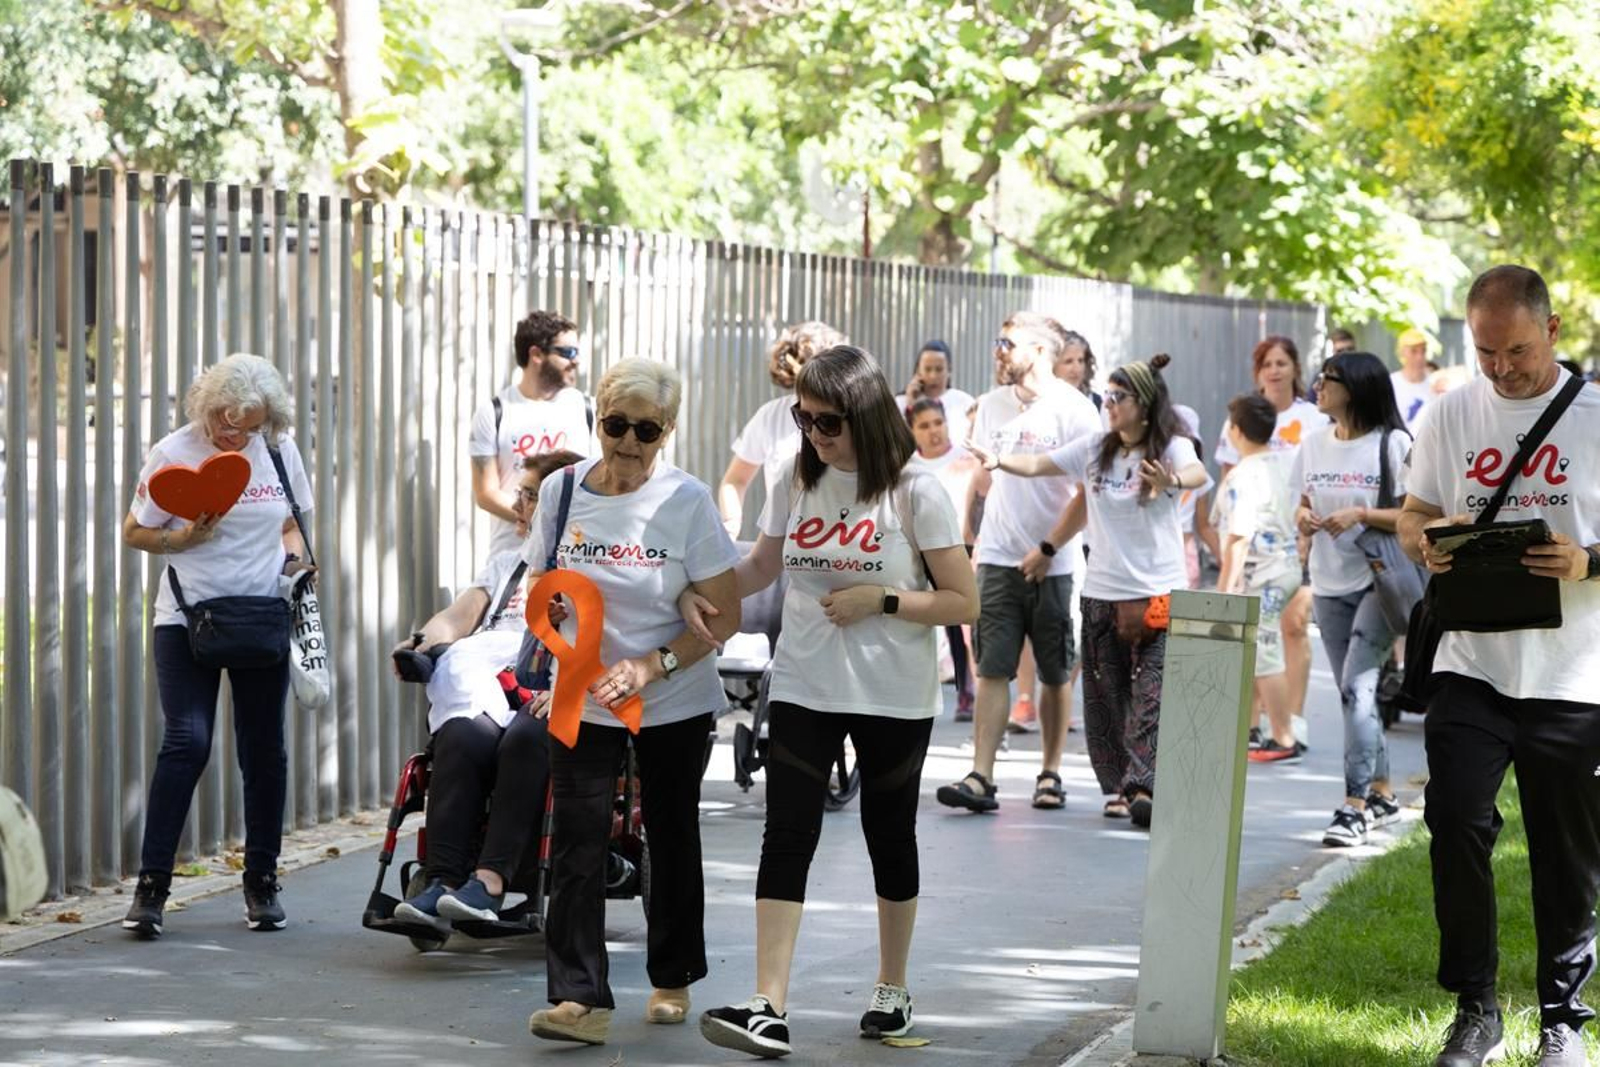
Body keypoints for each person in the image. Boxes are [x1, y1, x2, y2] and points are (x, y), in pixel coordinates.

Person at [692, 344, 979, 1058]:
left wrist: (882, 597)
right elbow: (762, 564)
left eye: (827, 421)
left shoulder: (916, 490)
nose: (814, 432)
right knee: (786, 833)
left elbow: (963, 599)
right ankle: (769, 1003)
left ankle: (891, 990)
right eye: (804, 416)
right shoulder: (795, 475)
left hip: (893, 695)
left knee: (890, 836)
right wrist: (702, 589)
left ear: (867, 415)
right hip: (804, 684)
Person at [1399, 266, 1600, 1067]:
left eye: (1515, 350)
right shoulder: (1451, 412)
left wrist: (1587, 561)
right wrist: (1428, 542)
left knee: (1567, 852)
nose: (1501, 368)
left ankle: (1564, 1020)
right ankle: (1476, 1008)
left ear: (1551, 330)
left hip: (1574, 673)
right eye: (1485, 352)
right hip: (1471, 660)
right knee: (1455, 820)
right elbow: (1415, 513)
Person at [520, 358, 741, 1046]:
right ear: (597, 420)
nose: (628, 443)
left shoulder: (687, 500)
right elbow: (541, 588)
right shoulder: (559, 492)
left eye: (646, 430)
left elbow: (725, 614)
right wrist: (564, 647)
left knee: (670, 834)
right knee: (580, 842)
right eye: (617, 425)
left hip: (671, 695)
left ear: (666, 431)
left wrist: (655, 662)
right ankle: (578, 998)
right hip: (581, 696)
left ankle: (672, 975)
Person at [966, 354, 1206, 828]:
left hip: (1159, 594)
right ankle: (1119, 788)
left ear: (1144, 404)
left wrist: (1172, 482)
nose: (1110, 405)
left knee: (1153, 696)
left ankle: (1145, 786)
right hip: (1102, 594)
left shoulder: (1171, 447)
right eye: (1108, 397)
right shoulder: (1097, 449)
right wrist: (1000, 462)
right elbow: (1040, 465)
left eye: (1119, 397)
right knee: (1107, 698)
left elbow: (1198, 475)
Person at [120, 354, 314, 938]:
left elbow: (292, 523)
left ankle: (262, 882)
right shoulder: (174, 453)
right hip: (187, 616)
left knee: (263, 749)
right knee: (187, 741)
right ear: (206, 407)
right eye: (225, 423)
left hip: (260, 613)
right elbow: (133, 531)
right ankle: (151, 890)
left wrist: (300, 561)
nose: (234, 435)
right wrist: (182, 537)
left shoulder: (278, 450)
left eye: (247, 426)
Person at [389, 449, 580, 932]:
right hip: (492, 672)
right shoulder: (506, 563)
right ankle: (441, 882)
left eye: (531, 496)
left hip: (554, 674)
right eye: (520, 493)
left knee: (525, 740)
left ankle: (489, 882)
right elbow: (460, 614)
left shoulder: (583, 560)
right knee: (460, 739)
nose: (519, 505)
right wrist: (423, 642)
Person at [939, 311, 1102, 814]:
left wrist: (1049, 548)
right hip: (996, 557)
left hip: (1055, 563)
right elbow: (985, 479)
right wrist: (969, 537)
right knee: (992, 667)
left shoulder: (1076, 410)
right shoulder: (990, 406)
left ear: (1038, 350)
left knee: (1055, 673)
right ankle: (980, 775)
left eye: (1006, 342)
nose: (998, 351)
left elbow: (1088, 494)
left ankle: (1050, 772)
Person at [1291, 351, 1409, 841]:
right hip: (1329, 579)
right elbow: (1301, 501)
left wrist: (1362, 514)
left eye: (1329, 379)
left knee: (1356, 688)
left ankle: (1353, 805)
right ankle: (1383, 793)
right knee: (1350, 690)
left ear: (1356, 388)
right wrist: (1302, 519)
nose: (1317, 385)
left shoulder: (1394, 444)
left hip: (1378, 581)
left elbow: (1415, 515)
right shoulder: (1313, 445)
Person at [1216, 336, 1328, 751]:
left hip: (1294, 541)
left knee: (1290, 629)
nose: (1275, 370)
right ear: (1257, 371)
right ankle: (1253, 723)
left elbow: (1313, 483)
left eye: (1283, 362)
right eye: (1268, 363)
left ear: (1296, 368)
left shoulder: (1312, 419)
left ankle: (1288, 726)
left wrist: (1304, 533)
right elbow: (1231, 488)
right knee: (1260, 642)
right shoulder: (1243, 421)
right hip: (1265, 550)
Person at [1212, 394, 1301, 765]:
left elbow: (1239, 536)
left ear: (1235, 431)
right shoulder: (1282, 463)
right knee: (1254, 649)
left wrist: (1225, 589)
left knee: (1264, 652)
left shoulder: (1243, 475)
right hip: (1286, 566)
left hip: (1260, 574)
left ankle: (1282, 736)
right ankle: (1249, 728)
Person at [469, 310, 592, 555]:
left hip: (573, 556)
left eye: (577, 352)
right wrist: (540, 520)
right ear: (536, 354)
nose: (576, 361)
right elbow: (486, 493)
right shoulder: (494, 412)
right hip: (513, 555)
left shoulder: (588, 409)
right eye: (568, 352)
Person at [717, 320, 848, 536]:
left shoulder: (852, 414)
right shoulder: (771, 416)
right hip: (783, 542)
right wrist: (731, 525)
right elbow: (735, 479)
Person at [906, 397, 981, 720]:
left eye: (938, 422)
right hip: (922, 549)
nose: (933, 431)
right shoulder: (910, 467)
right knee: (948, 626)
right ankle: (955, 686)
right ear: (912, 431)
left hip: (961, 547)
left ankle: (970, 688)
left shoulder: (966, 457)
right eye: (924, 426)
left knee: (966, 621)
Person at [896, 339, 976, 447]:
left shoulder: (965, 402)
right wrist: (911, 406)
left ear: (949, 371)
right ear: (918, 371)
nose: (933, 376)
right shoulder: (900, 403)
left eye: (939, 369)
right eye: (927, 369)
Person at [1392, 327, 1435, 431]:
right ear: (1402, 353)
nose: (1420, 357)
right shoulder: (1391, 383)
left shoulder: (1435, 382)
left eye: (1423, 351)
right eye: (1414, 351)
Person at [1053, 329, 1102, 410]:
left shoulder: (1098, 404)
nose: (1077, 369)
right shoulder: (1041, 404)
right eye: (1068, 361)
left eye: (1080, 360)